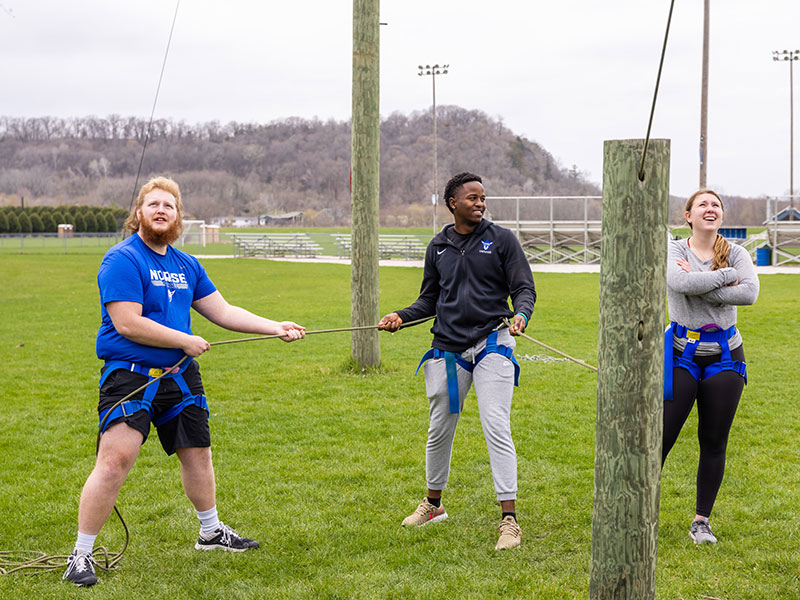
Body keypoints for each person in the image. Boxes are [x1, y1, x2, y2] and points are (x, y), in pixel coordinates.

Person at [63, 176, 306, 587]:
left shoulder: (187, 264)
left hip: (180, 378)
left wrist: (273, 327)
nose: (161, 211)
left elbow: (223, 311)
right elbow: (127, 322)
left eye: (169, 206)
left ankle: (210, 532)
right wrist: (184, 339)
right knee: (114, 461)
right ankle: (81, 556)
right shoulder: (122, 259)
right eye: (153, 204)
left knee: (198, 454)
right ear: (138, 213)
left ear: (178, 216)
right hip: (130, 376)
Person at [378, 172, 536, 551]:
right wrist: (401, 316)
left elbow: (523, 287)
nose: (480, 203)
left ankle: (509, 521)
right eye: (472, 197)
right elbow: (428, 301)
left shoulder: (501, 240)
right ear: (452, 202)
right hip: (448, 349)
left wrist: (521, 315)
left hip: (493, 343)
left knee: (496, 422)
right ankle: (433, 505)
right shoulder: (438, 247)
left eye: (483, 197)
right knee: (439, 427)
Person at [663, 189, 759, 545]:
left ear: (721, 215)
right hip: (680, 352)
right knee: (661, 437)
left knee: (714, 440)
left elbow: (749, 294)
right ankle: (637, 512)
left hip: (726, 354)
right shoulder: (675, 250)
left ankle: (701, 521)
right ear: (688, 215)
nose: (710, 208)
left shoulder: (737, 253)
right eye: (702, 204)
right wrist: (725, 278)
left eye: (715, 204)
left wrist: (700, 286)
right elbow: (679, 282)